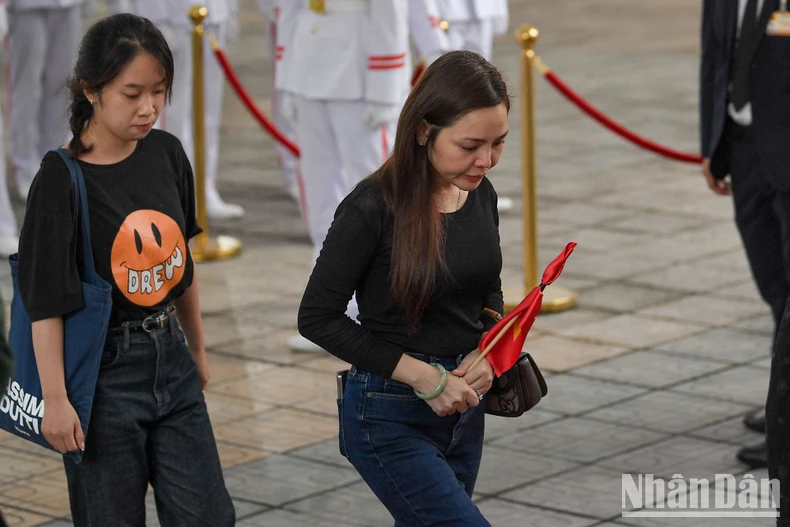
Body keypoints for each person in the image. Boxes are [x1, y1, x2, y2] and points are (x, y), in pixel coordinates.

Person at [17, 14, 234, 525]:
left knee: (208, 516)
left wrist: (197, 351)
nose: (149, 107)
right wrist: (55, 399)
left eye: (159, 91)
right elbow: (45, 300)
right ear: (91, 90)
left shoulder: (167, 152)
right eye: (132, 92)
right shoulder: (60, 179)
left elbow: (182, 267)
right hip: (102, 376)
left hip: (171, 358)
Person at [298, 50, 509, 526]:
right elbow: (316, 317)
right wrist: (424, 377)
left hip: (463, 407)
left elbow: (487, 290)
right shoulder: (371, 208)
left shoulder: (480, 193)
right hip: (388, 412)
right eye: (470, 145)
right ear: (422, 131)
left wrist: (488, 352)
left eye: (498, 144)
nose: (486, 161)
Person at [279, 0, 410, 352]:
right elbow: (289, 9)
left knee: (376, 198)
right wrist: (286, 77)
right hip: (308, 62)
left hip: (358, 69)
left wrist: (385, 88)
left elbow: (389, 12)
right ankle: (331, 309)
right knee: (319, 197)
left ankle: (384, 307)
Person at [699, 0, 790, 470]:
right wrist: (711, 144)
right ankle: (783, 402)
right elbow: (713, 55)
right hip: (744, 148)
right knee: (775, 287)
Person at [105, 0, 244, 220]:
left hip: (213, 15)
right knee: (170, 111)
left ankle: (204, 186)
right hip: (168, 15)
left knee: (208, 109)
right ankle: (171, 189)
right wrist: (129, 16)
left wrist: (231, 9)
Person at [6, 0, 86, 201]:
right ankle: (25, 167)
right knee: (27, 84)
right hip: (26, 6)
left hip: (68, 5)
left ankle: (54, 159)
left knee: (62, 83)